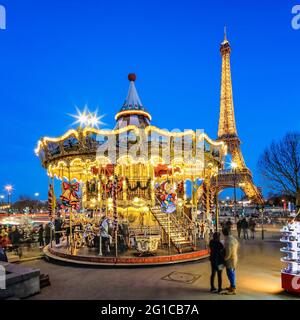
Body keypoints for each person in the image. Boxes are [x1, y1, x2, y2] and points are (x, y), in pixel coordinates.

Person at [223, 228, 239, 295]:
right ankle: (231, 286)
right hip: (234, 257)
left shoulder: (228, 241)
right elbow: (237, 245)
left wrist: (224, 259)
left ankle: (233, 289)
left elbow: (228, 253)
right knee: (232, 273)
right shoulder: (233, 238)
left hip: (230, 260)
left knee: (230, 273)